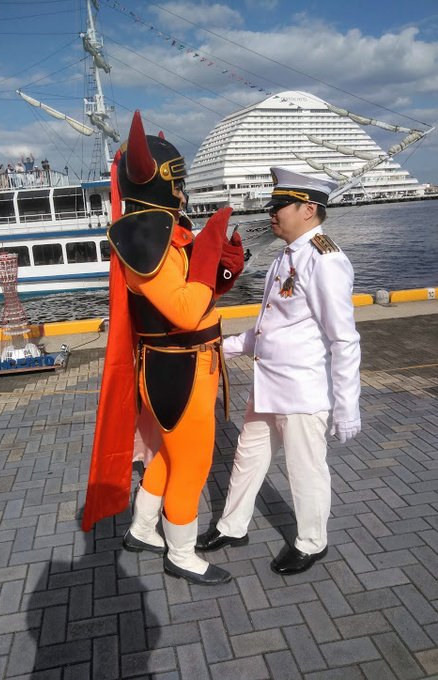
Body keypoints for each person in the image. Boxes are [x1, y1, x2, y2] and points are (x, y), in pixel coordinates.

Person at [82, 110, 244, 586]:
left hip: (185, 366)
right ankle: (182, 553)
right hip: (179, 371)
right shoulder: (143, 238)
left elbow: (198, 293)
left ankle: (141, 529)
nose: (182, 192)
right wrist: (208, 250)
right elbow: (186, 311)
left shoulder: (164, 230)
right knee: (192, 463)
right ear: (154, 183)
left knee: (170, 457)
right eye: (176, 182)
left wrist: (221, 266)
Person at [197, 167, 361, 575]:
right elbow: (271, 327)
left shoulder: (325, 260)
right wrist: (223, 346)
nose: (272, 213)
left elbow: (343, 339)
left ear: (308, 209)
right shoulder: (285, 257)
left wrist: (347, 407)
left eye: (280, 206)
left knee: (305, 470)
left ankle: (311, 542)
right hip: (269, 386)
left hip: (302, 391)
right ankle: (232, 526)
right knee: (247, 457)